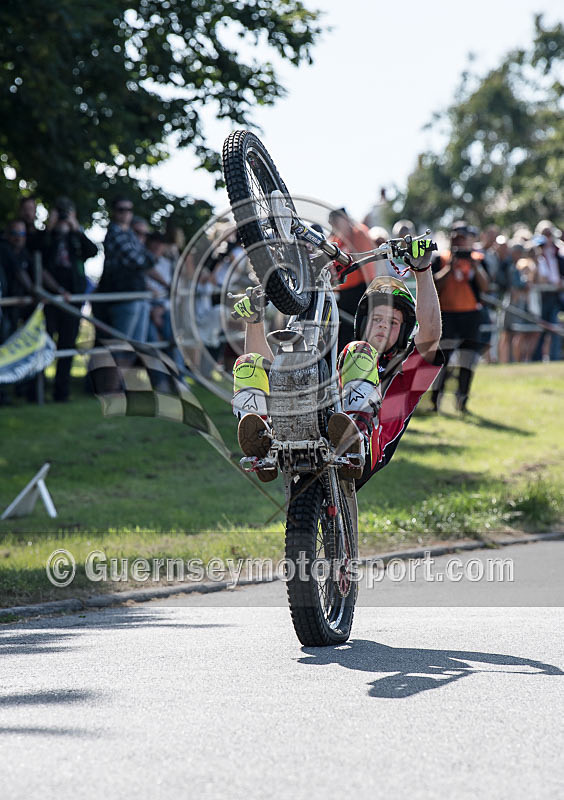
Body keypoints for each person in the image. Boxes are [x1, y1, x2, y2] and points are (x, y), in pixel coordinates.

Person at [230, 239, 441, 487]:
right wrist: (254, 320)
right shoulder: (342, 362)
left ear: (404, 331)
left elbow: (430, 337)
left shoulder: (403, 378)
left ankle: (355, 435)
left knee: (358, 352)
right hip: (308, 430)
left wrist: (423, 271)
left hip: (366, 452)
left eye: (392, 322)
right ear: (362, 323)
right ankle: (261, 441)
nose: (383, 324)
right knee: (248, 364)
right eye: (377, 318)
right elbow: (275, 378)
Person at [41, 197, 98, 402]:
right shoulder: (47, 236)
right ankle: (37, 390)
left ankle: (61, 392)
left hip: (73, 298)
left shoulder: (76, 237)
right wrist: (50, 228)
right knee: (45, 343)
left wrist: (76, 229)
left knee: (67, 344)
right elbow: (38, 251)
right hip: (49, 298)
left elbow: (92, 251)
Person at [430, 221, 489, 413]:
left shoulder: (478, 259)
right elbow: (435, 285)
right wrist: (450, 266)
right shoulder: (441, 258)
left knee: (467, 359)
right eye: (456, 237)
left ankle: (462, 400)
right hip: (447, 314)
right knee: (442, 359)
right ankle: (434, 400)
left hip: (470, 315)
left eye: (463, 238)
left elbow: (486, 286)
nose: (459, 241)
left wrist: (473, 264)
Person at [97, 197, 157, 341]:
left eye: (129, 210)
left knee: (135, 348)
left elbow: (148, 259)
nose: (126, 213)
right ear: (114, 212)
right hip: (123, 297)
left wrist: (146, 259)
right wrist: (145, 259)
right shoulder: (114, 233)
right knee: (121, 349)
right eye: (121, 210)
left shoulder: (129, 234)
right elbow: (138, 260)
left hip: (137, 295)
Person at [328, 207, 382, 351]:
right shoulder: (337, 240)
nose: (333, 226)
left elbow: (365, 261)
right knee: (343, 331)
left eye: (335, 222)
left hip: (361, 287)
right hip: (345, 292)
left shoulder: (358, 233)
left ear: (345, 220)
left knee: (359, 329)